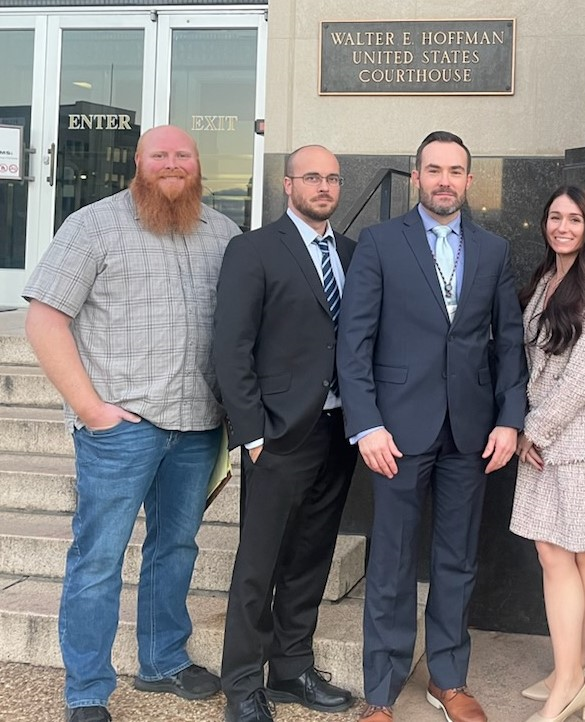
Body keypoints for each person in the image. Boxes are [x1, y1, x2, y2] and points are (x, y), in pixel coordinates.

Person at [22, 125, 238, 722]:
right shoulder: (92, 226)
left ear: (199, 165)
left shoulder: (223, 233)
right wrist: (92, 410)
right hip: (121, 430)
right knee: (98, 559)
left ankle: (163, 660)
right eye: (159, 155)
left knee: (176, 548)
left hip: (199, 427)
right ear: (138, 164)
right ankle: (87, 692)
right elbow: (44, 320)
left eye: (183, 155)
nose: (172, 164)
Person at [338, 130, 527, 722]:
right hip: (394, 431)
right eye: (434, 169)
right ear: (416, 176)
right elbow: (354, 340)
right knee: (391, 560)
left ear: (470, 181)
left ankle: (447, 677)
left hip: (470, 433)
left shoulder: (493, 250)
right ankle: (381, 692)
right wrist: (365, 424)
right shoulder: (379, 242)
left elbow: (509, 345)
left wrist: (510, 420)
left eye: (456, 170)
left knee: (457, 557)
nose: (445, 180)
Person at [214, 145, 359, 722]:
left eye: (332, 178)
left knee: (311, 557)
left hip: (336, 430)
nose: (323, 186)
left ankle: (291, 669)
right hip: (276, 435)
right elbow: (231, 346)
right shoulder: (251, 250)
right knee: (260, 563)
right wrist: (249, 432)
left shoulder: (351, 252)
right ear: (288, 184)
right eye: (312, 177)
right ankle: (243, 685)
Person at [509, 186, 585, 722]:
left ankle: (570, 678)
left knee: (581, 550)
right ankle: (576, 666)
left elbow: (584, 374)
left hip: (577, 440)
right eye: (555, 216)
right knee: (554, 553)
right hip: (540, 441)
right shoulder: (542, 281)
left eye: (574, 219)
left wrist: (535, 429)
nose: (563, 226)